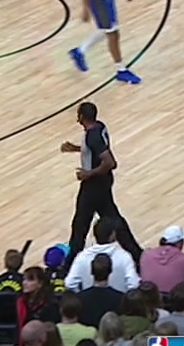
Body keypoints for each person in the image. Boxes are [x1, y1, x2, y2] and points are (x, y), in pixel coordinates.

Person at [59, 103, 144, 264]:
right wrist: (76, 148)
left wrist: (88, 173)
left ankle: (69, 266)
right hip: (102, 183)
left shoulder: (92, 136)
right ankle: (138, 255)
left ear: (81, 116)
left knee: (80, 226)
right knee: (114, 220)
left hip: (93, 186)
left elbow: (110, 162)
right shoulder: (99, 127)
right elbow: (96, 149)